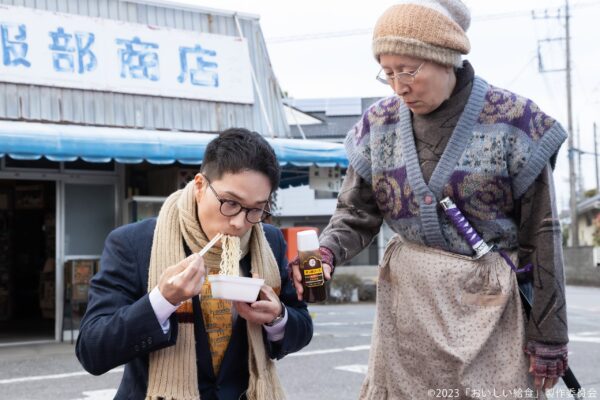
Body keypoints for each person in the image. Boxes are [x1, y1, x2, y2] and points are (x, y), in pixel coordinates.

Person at [290, 1, 569, 398]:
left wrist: (549, 338)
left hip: (490, 309)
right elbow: (354, 214)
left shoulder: (516, 122)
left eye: (408, 70)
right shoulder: (377, 126)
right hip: (409, 310)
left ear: (446, 58)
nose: (398, 85)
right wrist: (328, 252)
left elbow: (542, 234)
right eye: (387, 73)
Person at [77, 128, 312, 400]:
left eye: (256, 209)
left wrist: (277, 317)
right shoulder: (134, 243)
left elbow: (301, 324)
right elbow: (92, 350)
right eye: (230, 203)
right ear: (200, 186)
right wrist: (161, 301)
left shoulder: (268, 241)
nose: (239, 223)